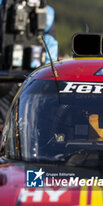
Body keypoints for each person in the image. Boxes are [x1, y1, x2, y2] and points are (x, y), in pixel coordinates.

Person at [0, 0, 58, 132]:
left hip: (13, 76)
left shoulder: (46, 12)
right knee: (27, 126)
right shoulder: (46, 11)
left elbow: (50, 45)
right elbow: (51, 46)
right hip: (31, 78)